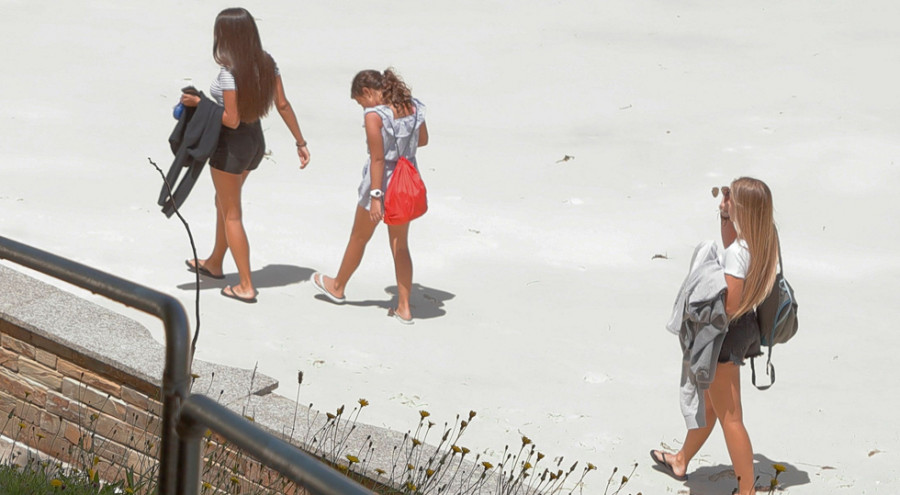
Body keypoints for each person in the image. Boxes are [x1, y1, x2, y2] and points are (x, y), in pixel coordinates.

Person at [652, 177, 780, 495]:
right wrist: (726, 214)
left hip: (726, 332)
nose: (723, 200)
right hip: (743, 329)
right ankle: (681, 459)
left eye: (730, 198)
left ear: (744, 209)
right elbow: (727, 242)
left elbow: (731, 303)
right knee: (712, 406)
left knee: (731, 417)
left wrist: (704, 296)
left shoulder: (739, 253)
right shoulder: (762, 240)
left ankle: (746, 489)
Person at [181, 7, 310, 303]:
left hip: (231, 146)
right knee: (223, 203)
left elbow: (231, 119)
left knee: (232, 214)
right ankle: (214, 262)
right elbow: (283, 104)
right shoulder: (268, 64)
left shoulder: (229, 74)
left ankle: (246, 285)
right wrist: (300, 142)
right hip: (255, 143)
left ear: (226, 36)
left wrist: (199, 102)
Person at [312, 69, 428, 324]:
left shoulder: (374, 115)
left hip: (382, 181)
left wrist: (376, 196)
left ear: (367, 92)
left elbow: (377, 158)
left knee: (360, 236)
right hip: (406, 179)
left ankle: (338, 286)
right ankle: (404, 308)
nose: (361, 106)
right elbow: (423, 140)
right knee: (400, 245)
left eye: (359, 101)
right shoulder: (412, 106)